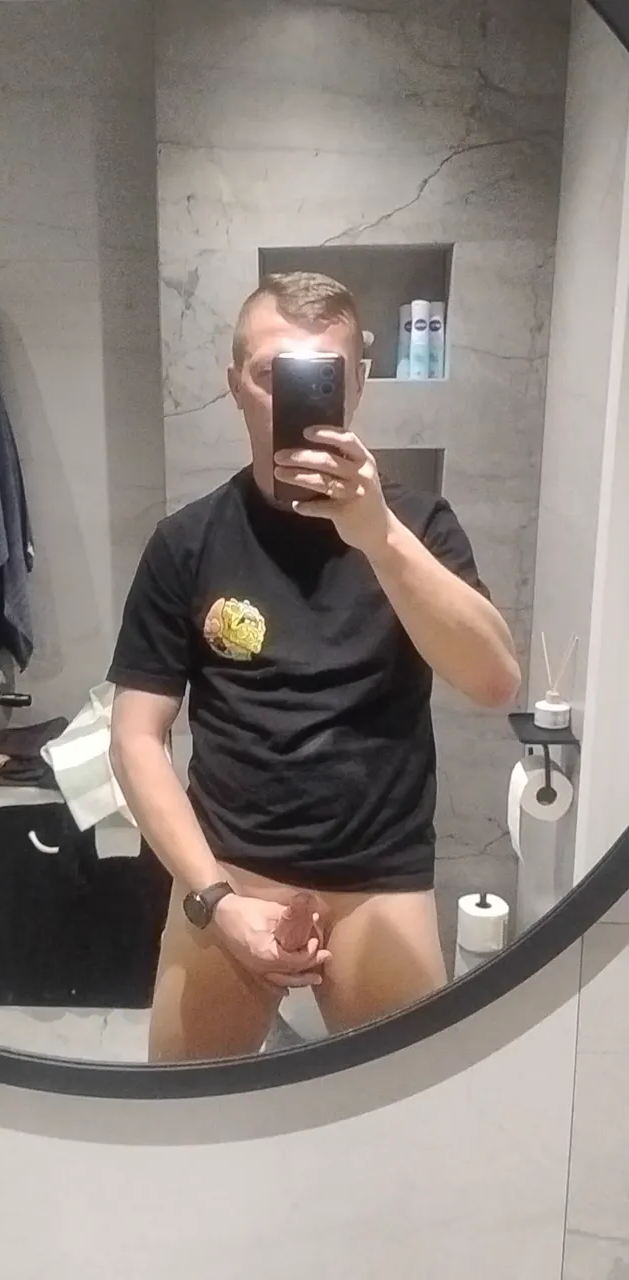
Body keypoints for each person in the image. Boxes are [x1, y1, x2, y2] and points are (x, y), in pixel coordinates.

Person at [108, 272, 521, 1062]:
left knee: (404, 1114)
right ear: (235, 384)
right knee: (186, 1116)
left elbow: (495, 681)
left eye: (320, 376)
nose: (290, 399)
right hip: (229, 867)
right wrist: (213, 897)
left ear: (357, 384)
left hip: (378, 876)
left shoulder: (420, 525)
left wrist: (379, 536)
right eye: (271, 374)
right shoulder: (186, 542)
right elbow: (135, 738)